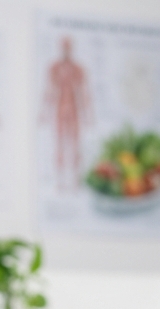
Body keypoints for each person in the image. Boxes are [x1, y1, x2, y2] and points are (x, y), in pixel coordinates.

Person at [40, 36, 92, 192]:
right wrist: (43, 112)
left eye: (68, 47)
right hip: (60, 109)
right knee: (60, 145)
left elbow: (83, 93)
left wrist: (88, 115)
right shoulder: (54, 68)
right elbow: (49, 91)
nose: (66, 50)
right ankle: (61, 182)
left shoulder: (78, 69)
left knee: (75, 145)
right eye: (64, 47)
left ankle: (75, 180)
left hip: (74, 109)